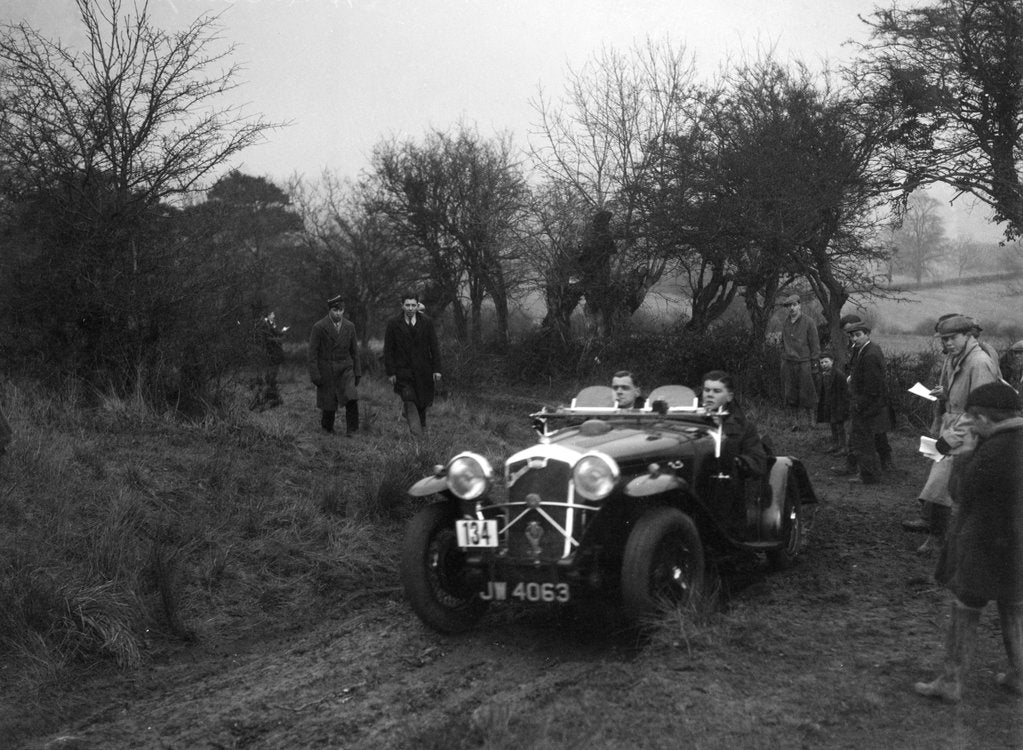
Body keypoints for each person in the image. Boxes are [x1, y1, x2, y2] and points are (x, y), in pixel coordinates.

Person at [913, 381, 1023, 703]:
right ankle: (1020, 675)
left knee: (966, 607)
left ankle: (951, 681)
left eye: (973, 419)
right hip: (1018, 547)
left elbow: (960, 493)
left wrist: (964, 456)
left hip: (984, 544)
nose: (970, 424)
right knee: (1014, 606)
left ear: (986, 419)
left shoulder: (990, 451)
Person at [903, 314, 1001, 553]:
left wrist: (950, 439)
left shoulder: (978, 363)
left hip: (969, 433)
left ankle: (944, 540)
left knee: (944, 487)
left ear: (968, 336)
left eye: (952, 338)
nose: (947, 343)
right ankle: (941, 537)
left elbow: (981, 409)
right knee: (943, 487)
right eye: (944, 339)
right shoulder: (960, 358)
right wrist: (946, 395)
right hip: (954, 427)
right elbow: (960, 396)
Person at [833, 319, 889, 485]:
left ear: (867, 334)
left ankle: (869, 476)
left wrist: (860, 404)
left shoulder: (870, 354)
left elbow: (873, 385)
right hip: (866, 404)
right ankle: (866, 472)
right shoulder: (863, 350)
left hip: (867, 406)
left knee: (865, 441)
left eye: (858, 335)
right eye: (852, 336)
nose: (855, 339)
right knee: (862, 439)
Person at [384, 292, 442, 436]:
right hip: (402, 372)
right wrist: (391, 372)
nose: (410, 308)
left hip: (424, 371)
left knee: (422, 403)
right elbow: (388, 350)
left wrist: (437, 369)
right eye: (407, 305)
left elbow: (434, 347)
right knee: (409, 399)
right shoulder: (393, 324)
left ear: (417, 306)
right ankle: (417, 435)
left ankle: (420, 430)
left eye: (413, 305)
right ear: (402, 306)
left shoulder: (427, 323)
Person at [307, 295, 361, 435]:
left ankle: (352, 430)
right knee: (329, 403)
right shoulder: (319, 327)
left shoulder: (350, 326)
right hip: (327, 369)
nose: (338, 313)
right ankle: (327, 429)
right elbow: (312, 354)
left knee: (351, 397)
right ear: (329, 310)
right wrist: (315, 375)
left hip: (346, 368)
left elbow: (355, 351)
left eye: (341, 310)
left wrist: (357, 372)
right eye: (335, 310)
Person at [701, 370, 769, 480]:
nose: (709, 395)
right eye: (706, 390)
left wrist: (736, 461)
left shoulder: (744, 427)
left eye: (716, 391)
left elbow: (758, 462)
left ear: (729, 397)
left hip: (728, 483)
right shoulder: (689, 422)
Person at [777, 294, 821, 431]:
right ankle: (795, 422)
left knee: (808, 391)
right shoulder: (785, 323)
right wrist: (784, 356)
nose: (792, 308)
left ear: (799, 305)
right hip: (788, 363)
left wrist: (814, 363)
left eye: (794, 305)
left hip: (804, 362)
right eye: (789, 306)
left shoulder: (809, 322)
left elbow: (815, 345)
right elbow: (783, 343)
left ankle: (811, 421)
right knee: (790, 393)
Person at [815, 349, 849, 454]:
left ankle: (843, 447)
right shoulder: (823, 375)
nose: (824, 364)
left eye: (826, 362)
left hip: (838, 404)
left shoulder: (839, 375)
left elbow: (843, 392)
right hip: (828, 403)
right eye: (821, 362)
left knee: (839, 426)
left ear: (832, 361)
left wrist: (842, 406)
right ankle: (835, 444)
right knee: (832, 424)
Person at [256, 311, 285, 408]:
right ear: (268, 315)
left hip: (273, 352)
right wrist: (278, 340)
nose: (274, 315)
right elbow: (267, 338)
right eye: (272, 314)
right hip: (270, 352)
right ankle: (268, 397)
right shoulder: (265, 325)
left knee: (272, 374)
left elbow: (274, 334)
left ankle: (272, 396)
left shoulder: (270, 324)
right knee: (270, 375)